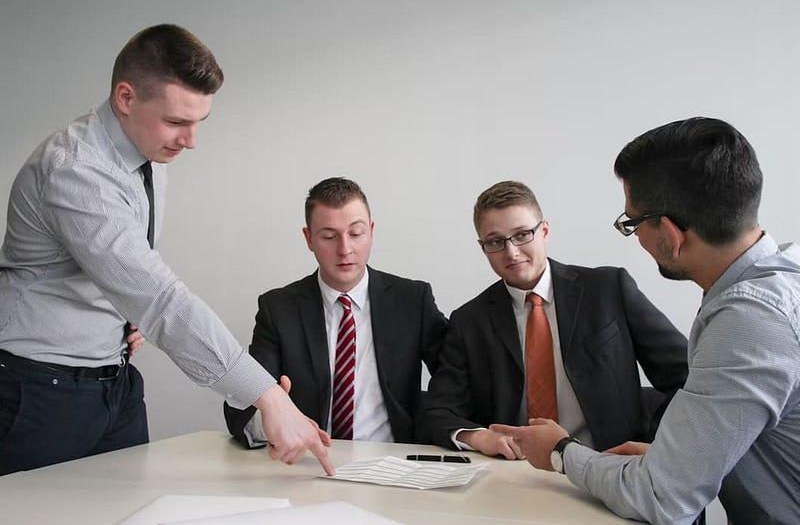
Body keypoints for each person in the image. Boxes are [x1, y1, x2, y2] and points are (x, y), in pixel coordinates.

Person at [0, 24, 333, 476]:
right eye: (177, 122)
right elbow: (158, 298)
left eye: (198, 122)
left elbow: (125, 268)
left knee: (131, 508)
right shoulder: (75, 170)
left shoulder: (148, 152)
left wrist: (121, 312)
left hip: (114, 382)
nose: (190, 140)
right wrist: (268, 396)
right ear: (126, 98)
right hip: (37, 388)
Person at [492, 118, 800, 524]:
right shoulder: (781, 280)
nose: (635, 237)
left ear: (670, 233)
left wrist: (560, 452)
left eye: (632, 224)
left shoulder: (747, 321)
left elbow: (661, 498)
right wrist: (671, 457)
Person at [416, 180, 688, 459]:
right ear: (483, 247)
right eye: (495, 242)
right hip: (516, 470)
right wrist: (479, 437)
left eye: (522, 234)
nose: (511, 252)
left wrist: (661, 445)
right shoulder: (469, 321)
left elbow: (688, 375)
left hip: (609, 463)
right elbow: (438, 411)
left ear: (544, 231)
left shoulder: (608, 289)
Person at [225, 177, 448, 446]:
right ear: (309, 238)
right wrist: (275, 416)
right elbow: (242, 413)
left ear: (371, 231)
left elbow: (457, 378)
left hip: (393, 459)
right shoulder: (278, 309)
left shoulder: (412, 301)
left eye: (356, 233)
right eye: (329, 237)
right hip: (310, 457)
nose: (345, 249)